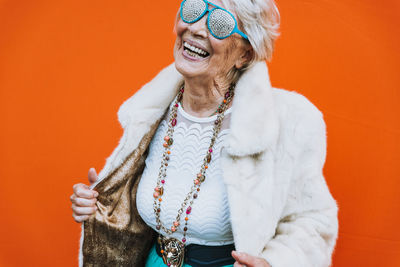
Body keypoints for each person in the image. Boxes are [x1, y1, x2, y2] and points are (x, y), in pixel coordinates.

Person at [70, 0, 339, 266]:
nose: (196, 28)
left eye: (220, 22)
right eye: (193, 10)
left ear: (244, 55)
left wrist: (272, 263)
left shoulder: (289, 122)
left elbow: (314, 222)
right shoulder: (151, 112)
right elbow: (141, 216)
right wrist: (104, 205)